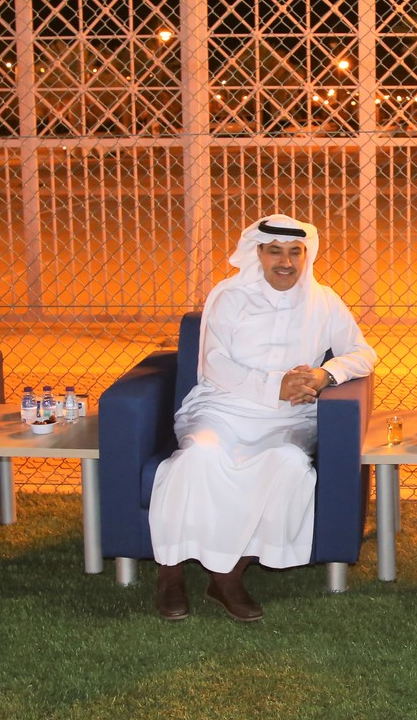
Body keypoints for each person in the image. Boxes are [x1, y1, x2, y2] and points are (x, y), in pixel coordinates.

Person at [149, 213, 375, 623]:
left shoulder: (324, 301)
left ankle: (228, 577)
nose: (285, 262)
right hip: (222, 408)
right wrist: (275, 385)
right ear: (258, 254)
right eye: (275, 252)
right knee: (199, 456)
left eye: (295, 252)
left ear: (306, 255)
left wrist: (326, 375)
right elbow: (215, 363)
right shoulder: (229, 296)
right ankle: (171, 573)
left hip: (288, 419)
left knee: (287, 464)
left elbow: (363, 353)